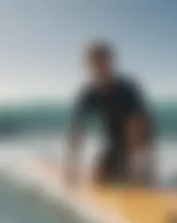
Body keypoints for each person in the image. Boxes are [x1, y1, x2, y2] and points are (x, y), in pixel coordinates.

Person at [65, 41, 155, 187]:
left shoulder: (127, 90)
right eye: (93, 63)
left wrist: (137, 168)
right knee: (98, 179)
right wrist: (71, 167)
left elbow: (137, 128)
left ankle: (143, 175)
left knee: (136, 178)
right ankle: (125, 171)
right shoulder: (88, 94)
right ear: (87, 65)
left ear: (110, 62)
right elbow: (77, 131)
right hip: (114, 139)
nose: (98, 68)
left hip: (142, 139)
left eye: (102, 62)